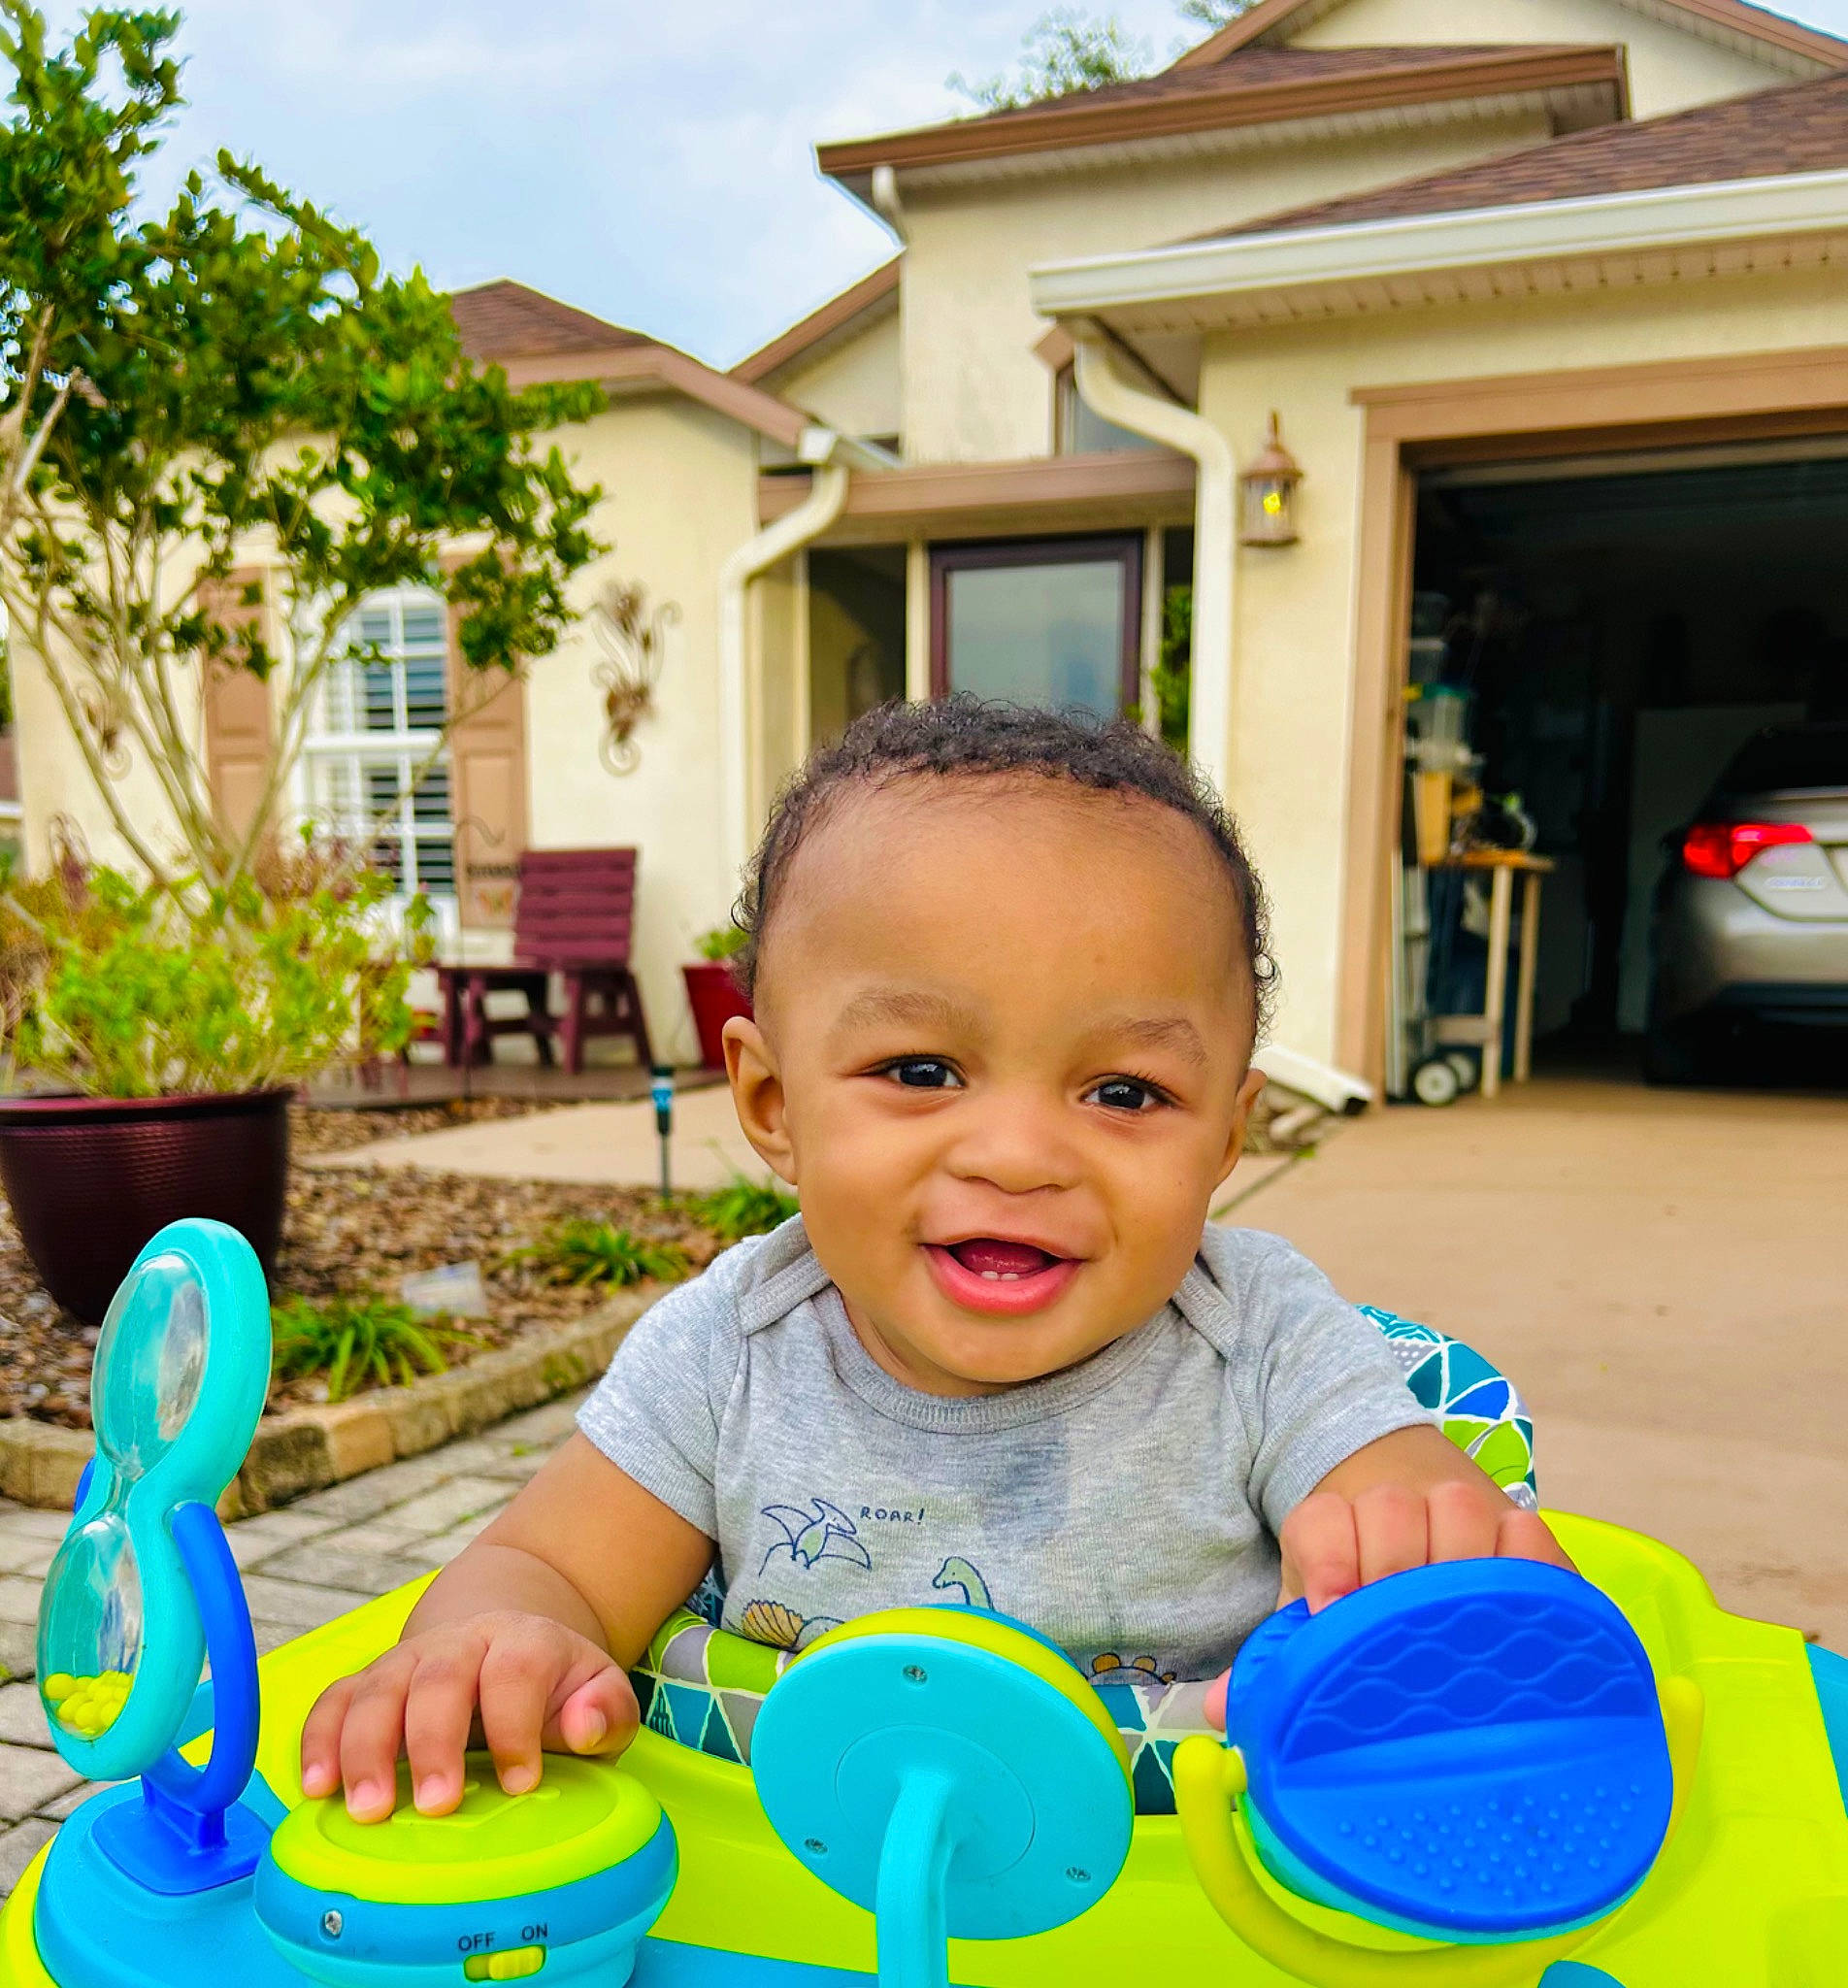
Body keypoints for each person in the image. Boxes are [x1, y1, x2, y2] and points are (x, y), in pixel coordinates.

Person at [302, 699, 1567, 1822]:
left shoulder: (1265, 1338)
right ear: (772, 1101)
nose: (1018, 1156)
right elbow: (552, 1566)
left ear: (1226, 1137)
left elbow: (1415, 1502)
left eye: (1125, 1090)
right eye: (921, 1071)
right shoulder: (723, 1356)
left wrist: (1439, 1562)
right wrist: (490, 1645)